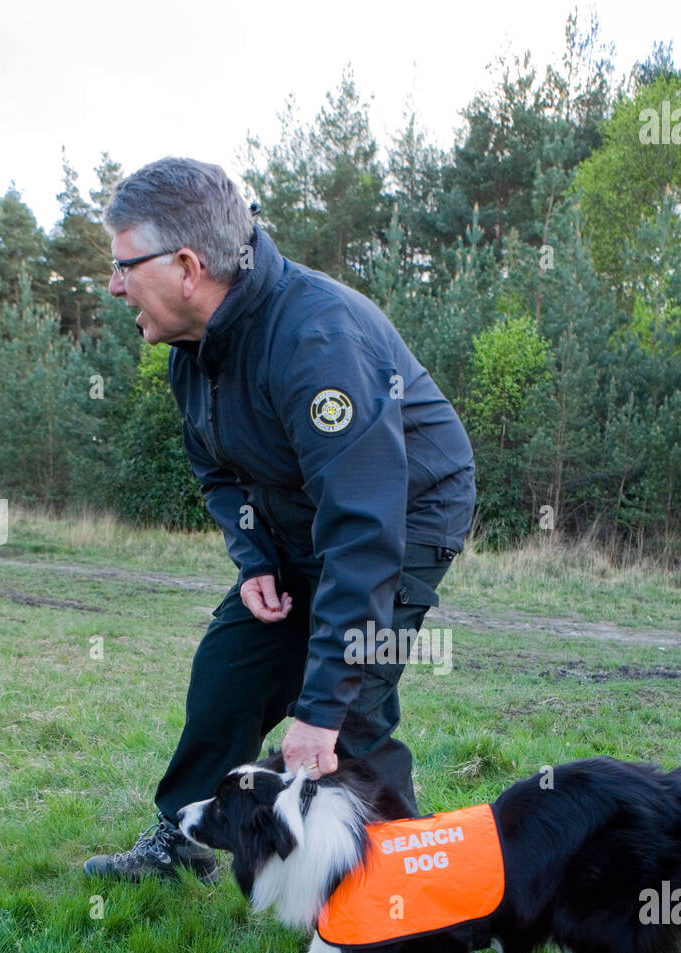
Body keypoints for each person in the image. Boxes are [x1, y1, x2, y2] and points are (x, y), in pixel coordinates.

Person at [84, 157, 474, 884]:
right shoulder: (193, 352)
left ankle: (408, 901)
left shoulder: (316, 342)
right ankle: (184, 839)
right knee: (229, 673)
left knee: (350, 716)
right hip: (301, 519)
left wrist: (320, 710)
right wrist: (256, 557)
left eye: (122, 265)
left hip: (404, 517)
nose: (113, 285)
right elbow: (219, 470)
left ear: (187, 266)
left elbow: (363, 534)